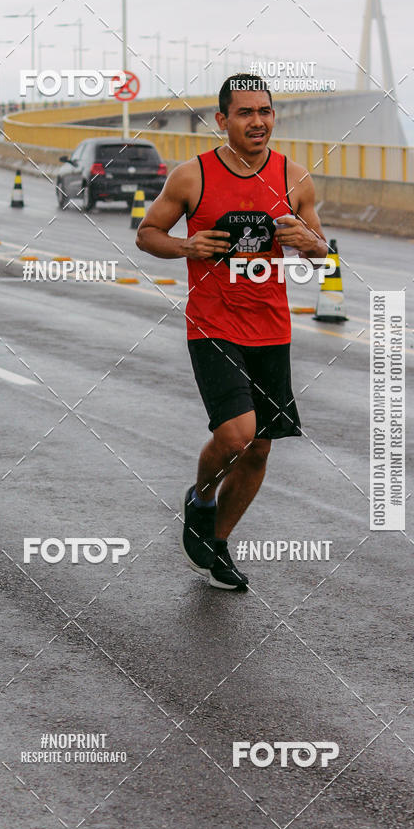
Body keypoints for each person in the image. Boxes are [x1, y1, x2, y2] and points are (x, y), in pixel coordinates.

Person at [136, 74, 327, 591]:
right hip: (213, 324)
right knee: (237, 435)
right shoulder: (192, 176)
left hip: (272, 329)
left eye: (265, 111)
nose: (258, 121)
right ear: (223, 121)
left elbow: (323, 252)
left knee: (261, 447)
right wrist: (186, 248)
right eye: (245, 113)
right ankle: (200, 497)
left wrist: (307, 240)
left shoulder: (295, 177)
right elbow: (148, 234)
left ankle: (215, 544)